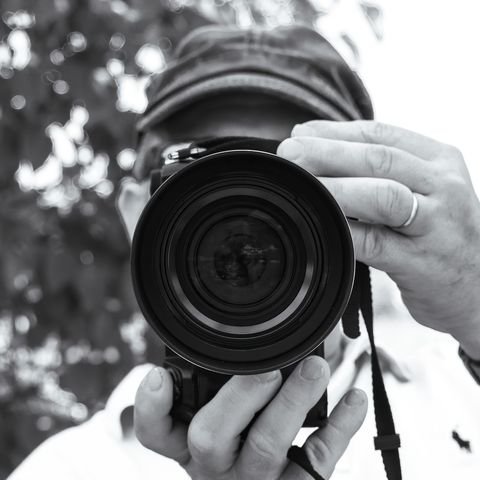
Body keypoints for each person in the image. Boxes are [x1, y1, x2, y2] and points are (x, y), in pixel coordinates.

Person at [8, 25, 480, 480]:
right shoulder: (66, 470)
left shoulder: (461, 394)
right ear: (140, 217)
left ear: (365, 208)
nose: (249, 229)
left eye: (291, 184)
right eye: (209, 181)